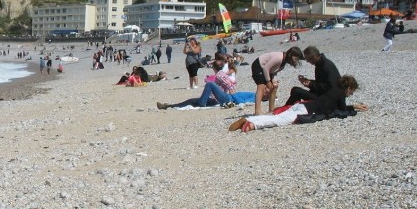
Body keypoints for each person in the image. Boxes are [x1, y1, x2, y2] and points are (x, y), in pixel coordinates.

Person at [229, 75, 367, 132]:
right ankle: (252, 124)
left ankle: (250, 120)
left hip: (302, 105)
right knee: (280, 121)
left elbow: (337, 107)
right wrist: (353, 109)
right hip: (306, 111)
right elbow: (341, 110)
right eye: (352, 92)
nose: (351, 94)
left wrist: (353, 105)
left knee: (278, 118)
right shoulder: (340, 94)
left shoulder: (333, 91)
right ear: (348, 88)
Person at [157, 59, 237, 109]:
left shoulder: (220, 74)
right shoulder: (221, 74)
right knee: (191, 101)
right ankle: (169, 106)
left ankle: (169, 106)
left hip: (216, 100)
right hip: (216, 99)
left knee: (191, 100)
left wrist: (233, 98)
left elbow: (230, 86)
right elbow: (230, 85)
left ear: (213, 68)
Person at [251, 47, 303, 115]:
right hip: (259, 65)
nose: (295, 61)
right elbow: (266, 68)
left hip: (266, 69)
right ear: (290, 54)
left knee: (275, 86)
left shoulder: (283, 63)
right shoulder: (279, 58)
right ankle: (257, 111)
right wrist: (268, 81)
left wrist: (273, 81)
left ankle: (271, 110)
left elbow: (273, 71)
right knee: (261, 86)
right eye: (295, 59)